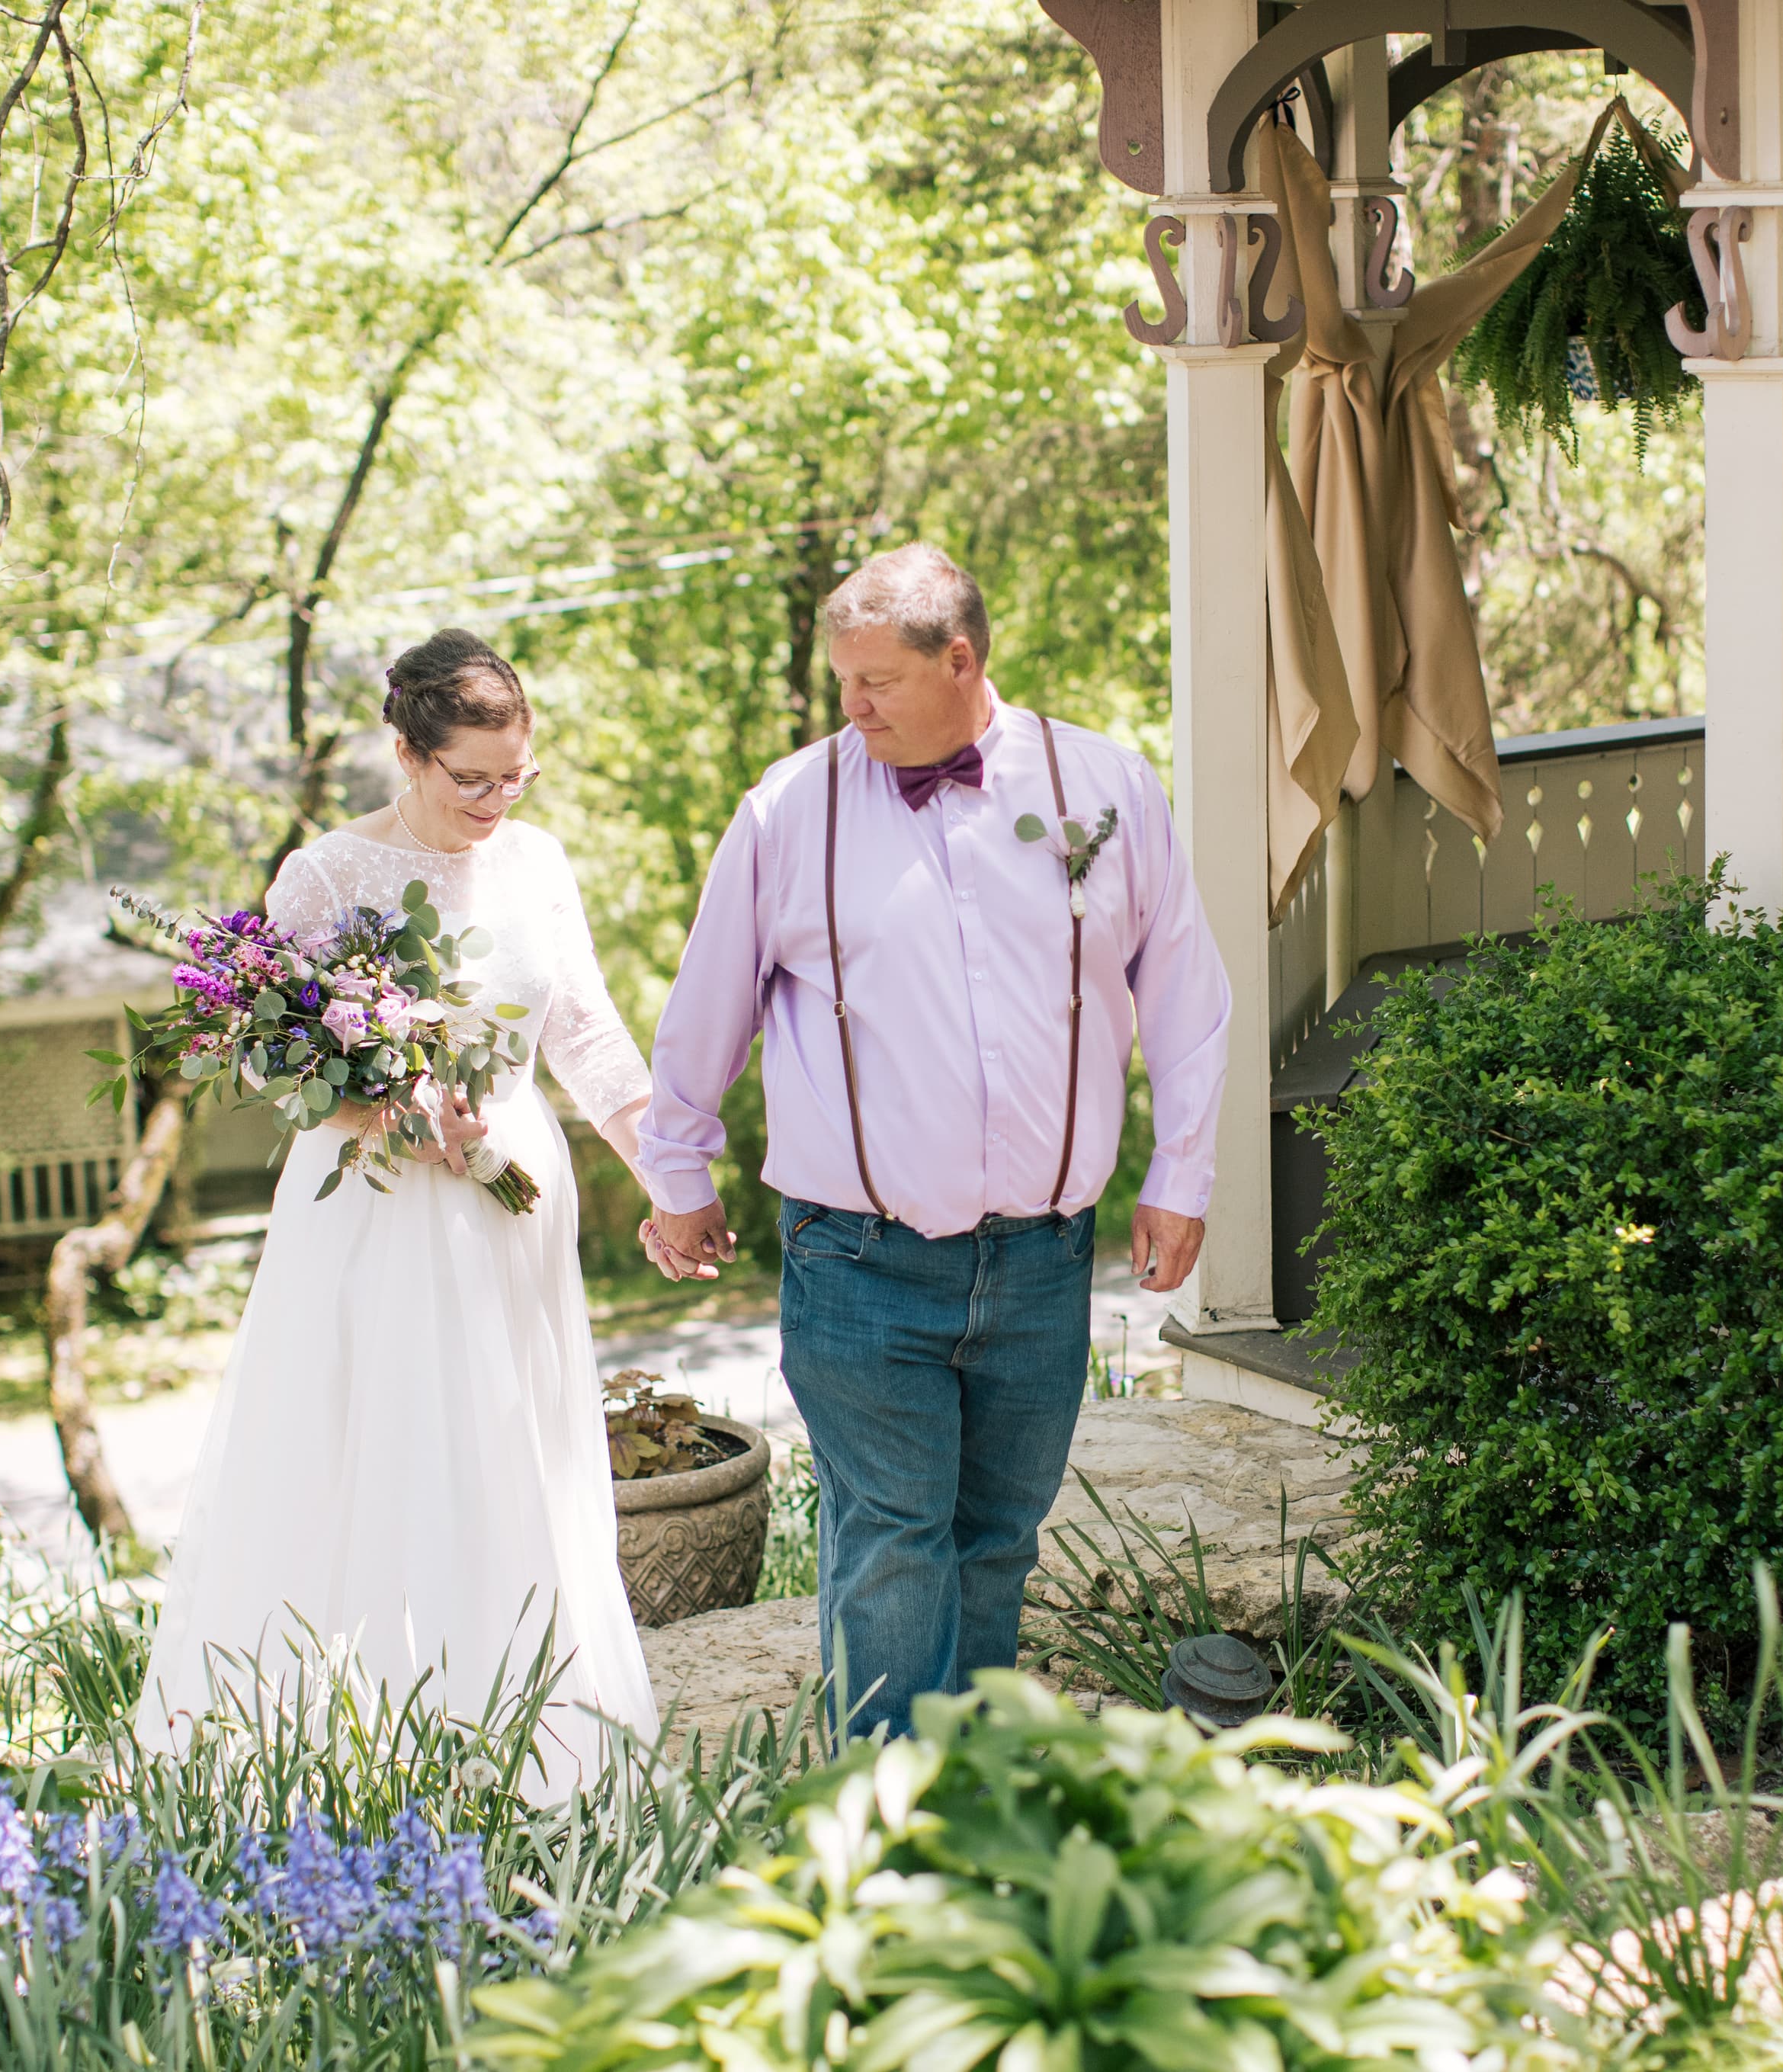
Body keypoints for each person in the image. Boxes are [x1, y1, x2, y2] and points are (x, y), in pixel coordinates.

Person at [637, 544, 1231, 1740]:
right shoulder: (789, 809)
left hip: (1045, 1256)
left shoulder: (1102, 786)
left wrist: (1182, 1171)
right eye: (841, 683)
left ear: (960, 660)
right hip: (859, 1262)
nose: (850, 710)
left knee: (998, 1533)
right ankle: (888, 1805)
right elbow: (711, 998)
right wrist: (677, 1169)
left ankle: (972, 1781)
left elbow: (1182, 988)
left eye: (875, 683)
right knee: (895, 1533)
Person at [135, 630, 657, 1800]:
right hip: (372, 1204)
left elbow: (582, 1029)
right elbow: (281, 1063)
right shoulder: (323, 876)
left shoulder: (537, 863)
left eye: (513, 775)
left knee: (514, 1450)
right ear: (408, 753)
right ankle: (356, 1752)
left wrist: (668, 1159)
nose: (494, 799)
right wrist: (403, 1113)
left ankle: (526, 1729)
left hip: (510, 1198)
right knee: (376, 1447)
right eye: (470, 776)